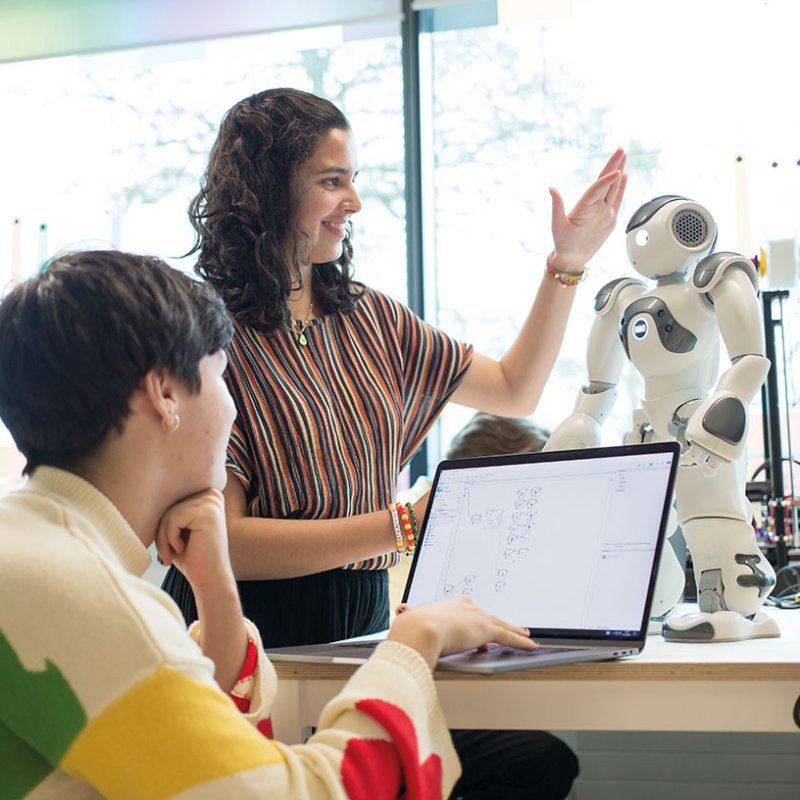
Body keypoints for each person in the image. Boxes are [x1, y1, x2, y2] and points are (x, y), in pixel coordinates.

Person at [162, 87, 626, 798]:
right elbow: (225, 543)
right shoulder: (208, 336)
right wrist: (403, 522)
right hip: (251, 634)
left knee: (536, 761)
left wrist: (565, 262)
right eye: (331, 179)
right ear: (263, 188)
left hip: (363, 625)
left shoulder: (368, 317)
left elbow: (513, 390)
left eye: (353, 179)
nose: (353, 201)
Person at [0, 249, 539, 799]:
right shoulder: (92, 600)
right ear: (165, 395)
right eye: (220, 376)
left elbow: (213, 767)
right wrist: (415, 642)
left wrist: (216, 591)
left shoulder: (34, 555)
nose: (233, 408)